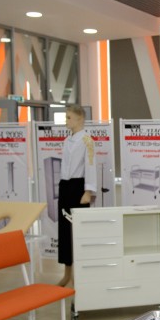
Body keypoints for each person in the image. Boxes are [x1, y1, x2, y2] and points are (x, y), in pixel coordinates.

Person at [57, 104, 97, 287]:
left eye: (69, 117)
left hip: (78, 187)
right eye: (66, 117)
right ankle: (67, 274)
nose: (66, 121)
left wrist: (87, 191)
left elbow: (90, 165)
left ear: (80, 119)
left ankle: (80, 276)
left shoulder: (87, 140)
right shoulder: (67, 140)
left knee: (78, 232)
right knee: (65, 231)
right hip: (65, 186)